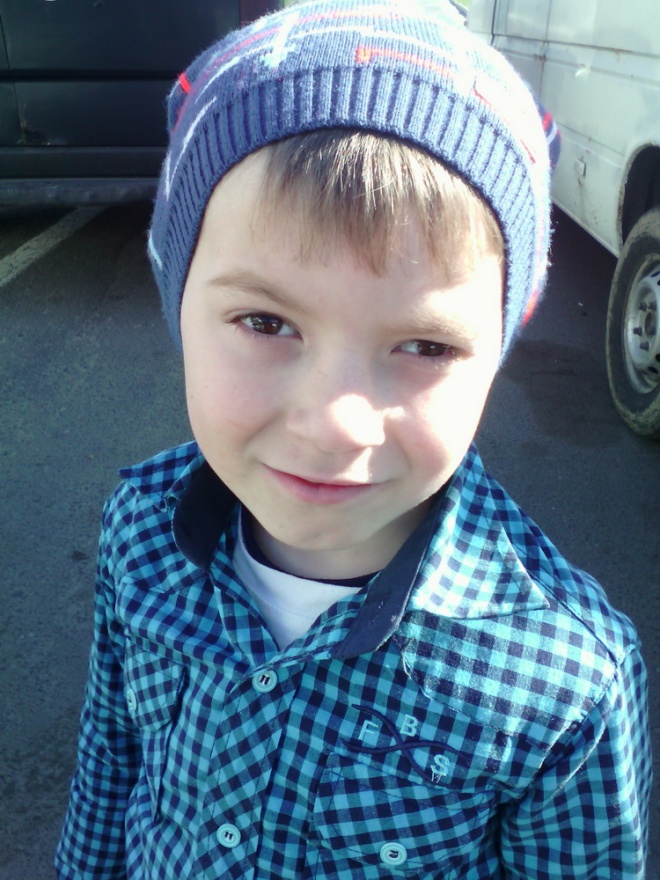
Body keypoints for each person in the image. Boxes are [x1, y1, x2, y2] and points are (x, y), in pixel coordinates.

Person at [55, 1, 651, 878]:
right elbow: (108, 780)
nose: (336, 423)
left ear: (496, 355)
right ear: (177, 306)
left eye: (425, 347)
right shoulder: (140, 533)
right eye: (266, 322)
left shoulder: (564, 680)